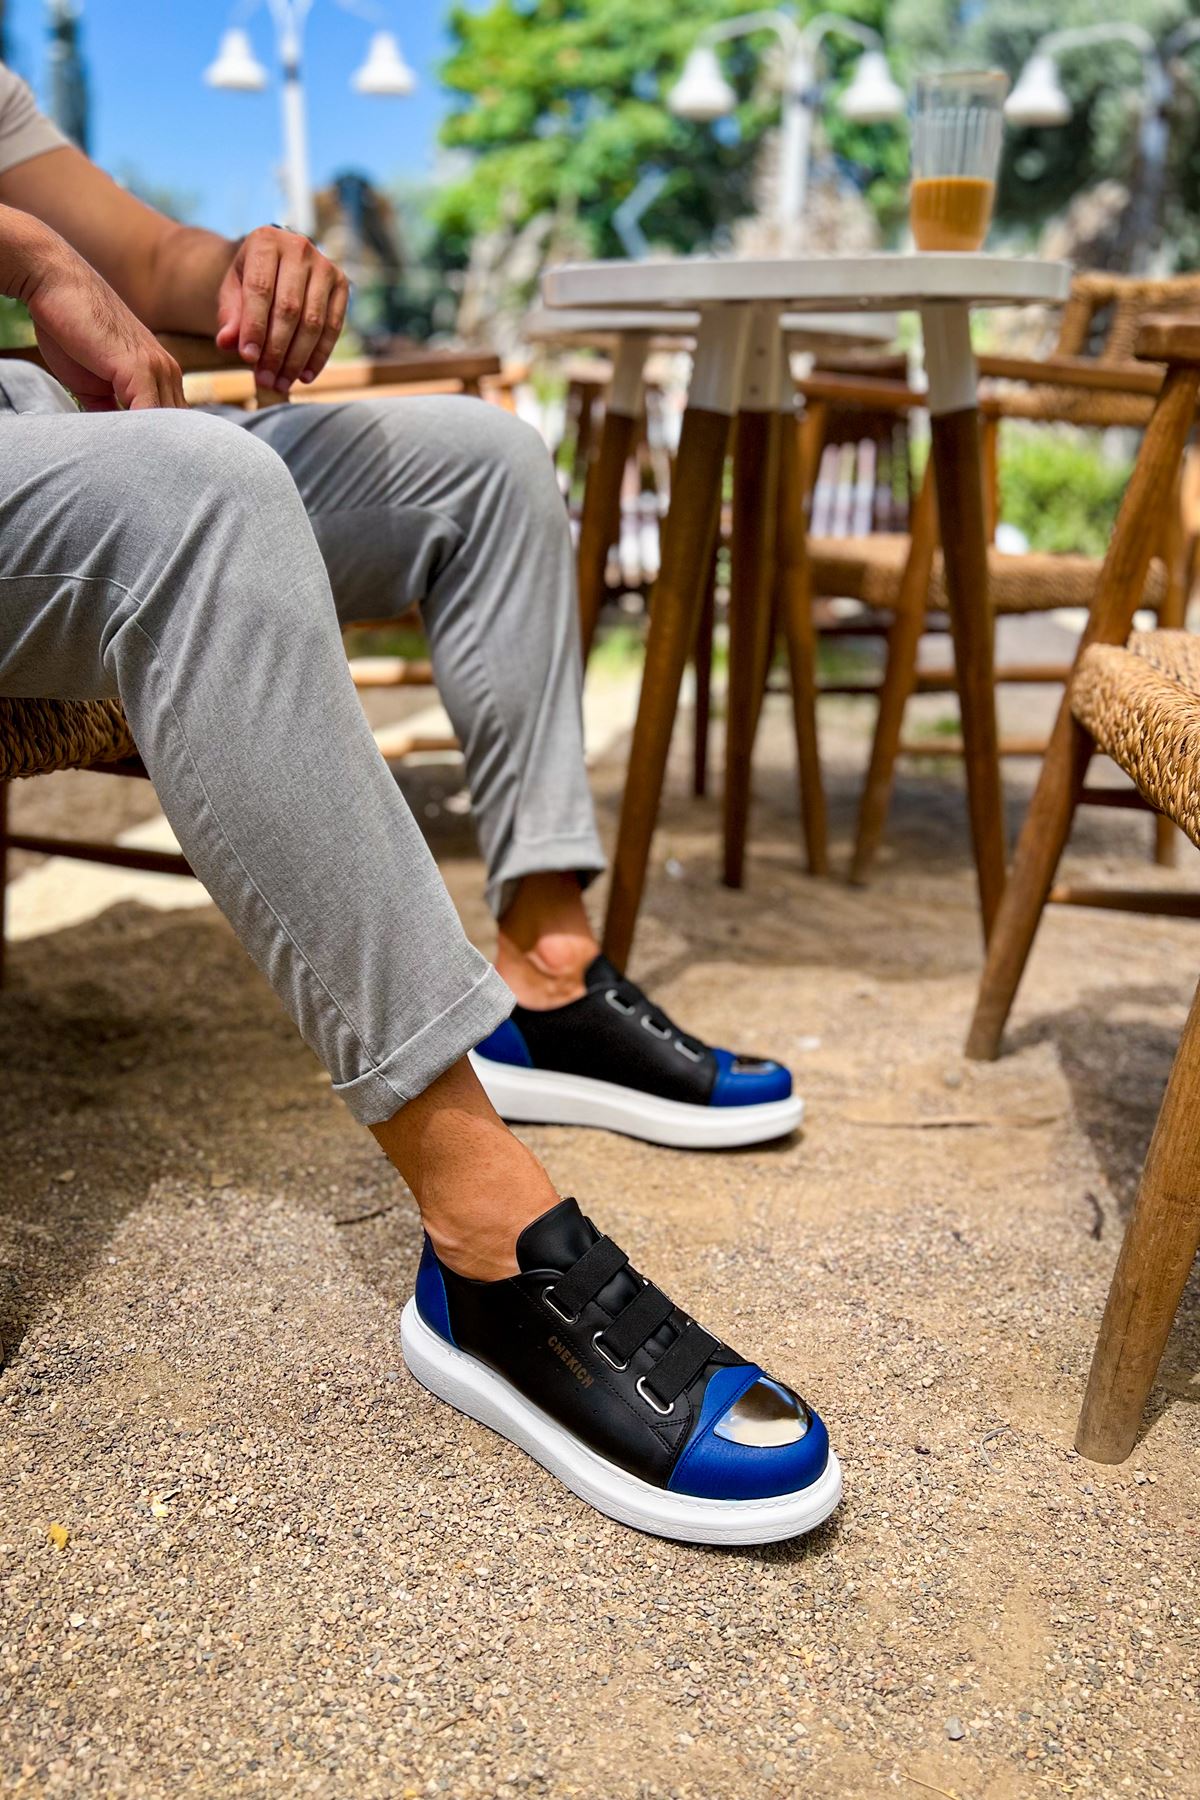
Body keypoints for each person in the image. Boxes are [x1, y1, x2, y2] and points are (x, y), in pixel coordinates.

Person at [0, 62, 840, 1543]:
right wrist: (24, 255)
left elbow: (146, 257)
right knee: (200, 497)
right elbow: (55, 255)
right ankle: (485, 1247)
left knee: (488, 462)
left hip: (53, 419)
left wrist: (249, 267)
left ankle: (548, 970)